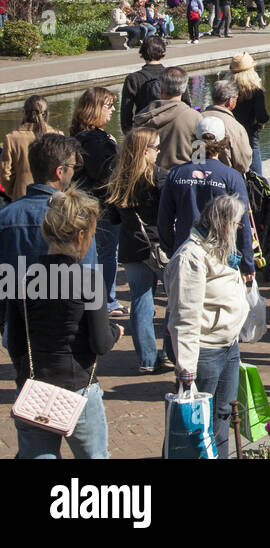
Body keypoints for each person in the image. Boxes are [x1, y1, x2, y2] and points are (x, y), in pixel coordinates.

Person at [6, 188, 120, 459]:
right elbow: (100, 343)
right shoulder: (89, 281)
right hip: (78, 387)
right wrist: (116, 331)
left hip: (35, 387)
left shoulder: (22, 281)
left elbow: (15, 344)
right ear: (81, 236)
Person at [165, 194, 250, 459]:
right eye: (236, 222)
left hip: (228, 346)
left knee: (222, 413)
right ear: (223, 223)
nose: (240, 228)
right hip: (205, 351)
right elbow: (185, 314)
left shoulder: (220, 248)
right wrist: (186, 369)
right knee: (198, 424)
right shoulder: (191, 257)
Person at [0, 135, 97, 326]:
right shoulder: (76, 218)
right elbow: (90, 278)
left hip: (18, 324)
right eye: (73, 167)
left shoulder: (5, 217)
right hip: (67, 323)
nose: (75, 173)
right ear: (60, 172)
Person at [105, 126, 171, 374]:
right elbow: (168, 214)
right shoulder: (160, 177)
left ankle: (146, 359)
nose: (159, 151)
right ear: (144, 151)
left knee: (140, 302)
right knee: (174, 301)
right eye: (155, 147)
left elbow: (113, 218)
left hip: (131, 246)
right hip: (158, 246)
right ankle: (169, 353)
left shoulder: (117, 178)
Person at [156, 117, 255, 273]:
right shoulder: (231, 176)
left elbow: (164, 220)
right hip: (221, 255)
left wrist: (171, 250)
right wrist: (248, 263)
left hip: (185, 251)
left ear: (195, 140)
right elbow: (243, 223)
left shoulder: (176, 174)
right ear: (223, 143)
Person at [70, 87, 123, 317]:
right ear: (95, 109)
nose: (112, 111)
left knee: (96, 253)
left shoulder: (82, 135)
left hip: (88, 204)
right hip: (100, 208)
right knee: (105, 254)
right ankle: (105, 301)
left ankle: (101, 299)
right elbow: (105, 172)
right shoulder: (94, 139)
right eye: (108, 106)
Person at [133, 68, 203, 171]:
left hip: (148, 177)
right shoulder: (195, 118)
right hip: (182, 179)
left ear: (160, 89)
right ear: (183, 90)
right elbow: (200, 158)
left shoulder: (142, 116)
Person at [120, 36, 190, 133]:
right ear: (163, 52)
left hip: (145, 131)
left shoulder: (133, 79)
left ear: (142, 52)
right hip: (172, 128)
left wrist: (130, 134)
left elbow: (126, 112)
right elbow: (186, 104)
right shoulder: (175, 75)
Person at [2, 95, 61, 202]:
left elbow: (5, 173)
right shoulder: (58, 135)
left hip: (22, 196)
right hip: (52, 196)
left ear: (24, 112)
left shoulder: (12, 138)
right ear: (47, 113)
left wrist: (12, 192)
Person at [229, 52, 270, 177]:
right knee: (257, 178)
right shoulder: (255, 91)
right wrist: (261, 123)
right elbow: (262, 116)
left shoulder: (228, 90)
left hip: (231, 137)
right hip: (251, 137)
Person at [203, 79, 253, 175]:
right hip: (226, 179)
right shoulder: (235, 127)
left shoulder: (197, 118)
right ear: (230, 101)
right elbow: (243, 164)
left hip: (196, 178)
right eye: (236, 98)